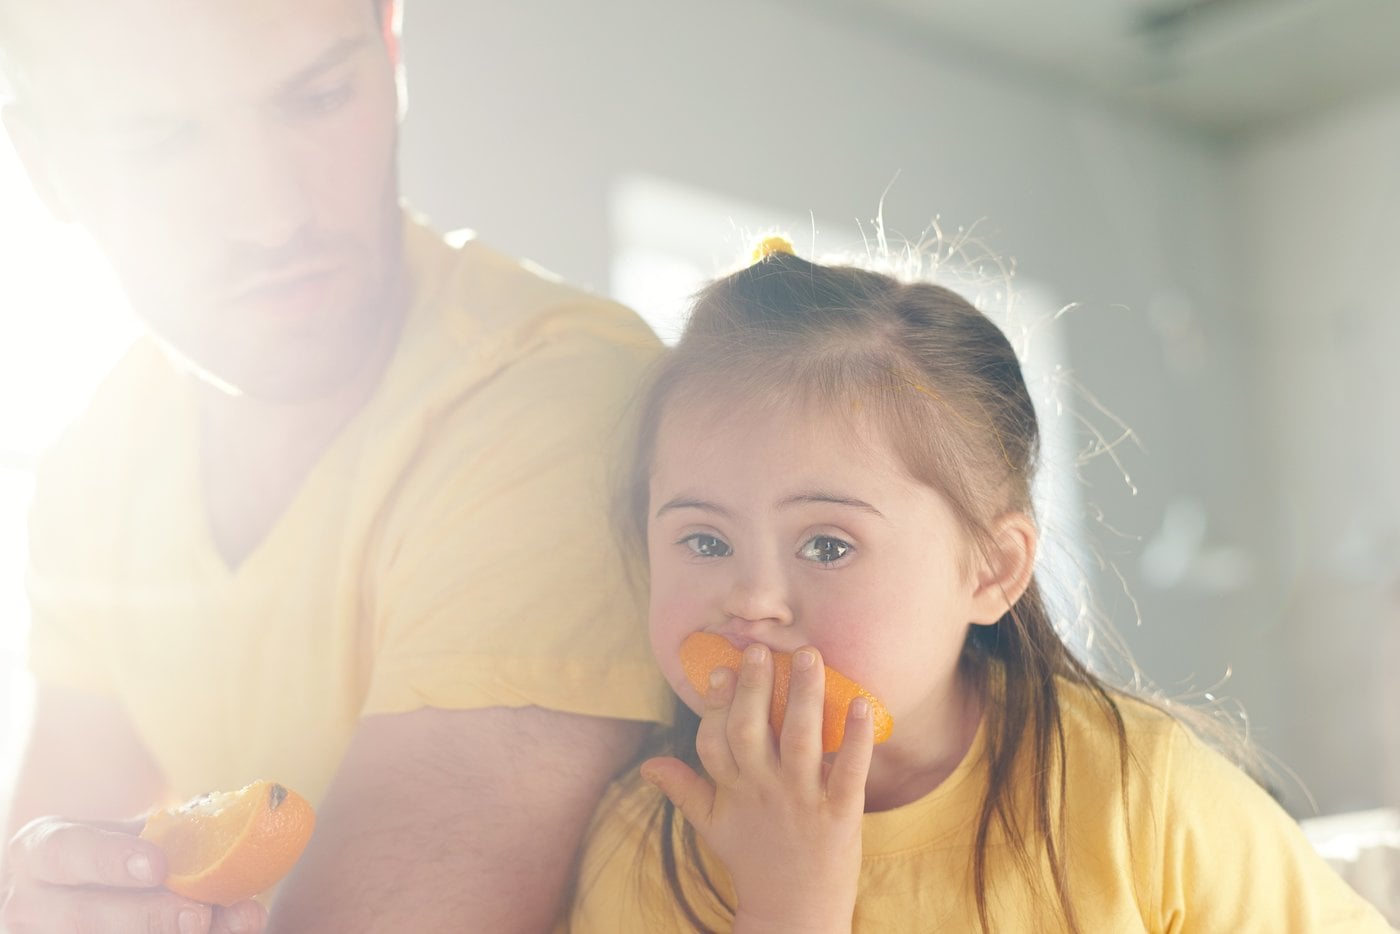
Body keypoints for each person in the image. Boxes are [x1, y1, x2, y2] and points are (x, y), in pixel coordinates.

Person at [0, 1, 671, 931]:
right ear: (46, 169)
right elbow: (46, 872)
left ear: (392, 49)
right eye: (157, 141)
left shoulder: (566, 399)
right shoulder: (98, 456)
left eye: (317, 97)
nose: (274, 216)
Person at [562, 236, 1395, 931]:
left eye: (826, 545)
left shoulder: (1136, 791)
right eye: (703, 539)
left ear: (991, 572)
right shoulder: (648, 844)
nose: (752, 601)